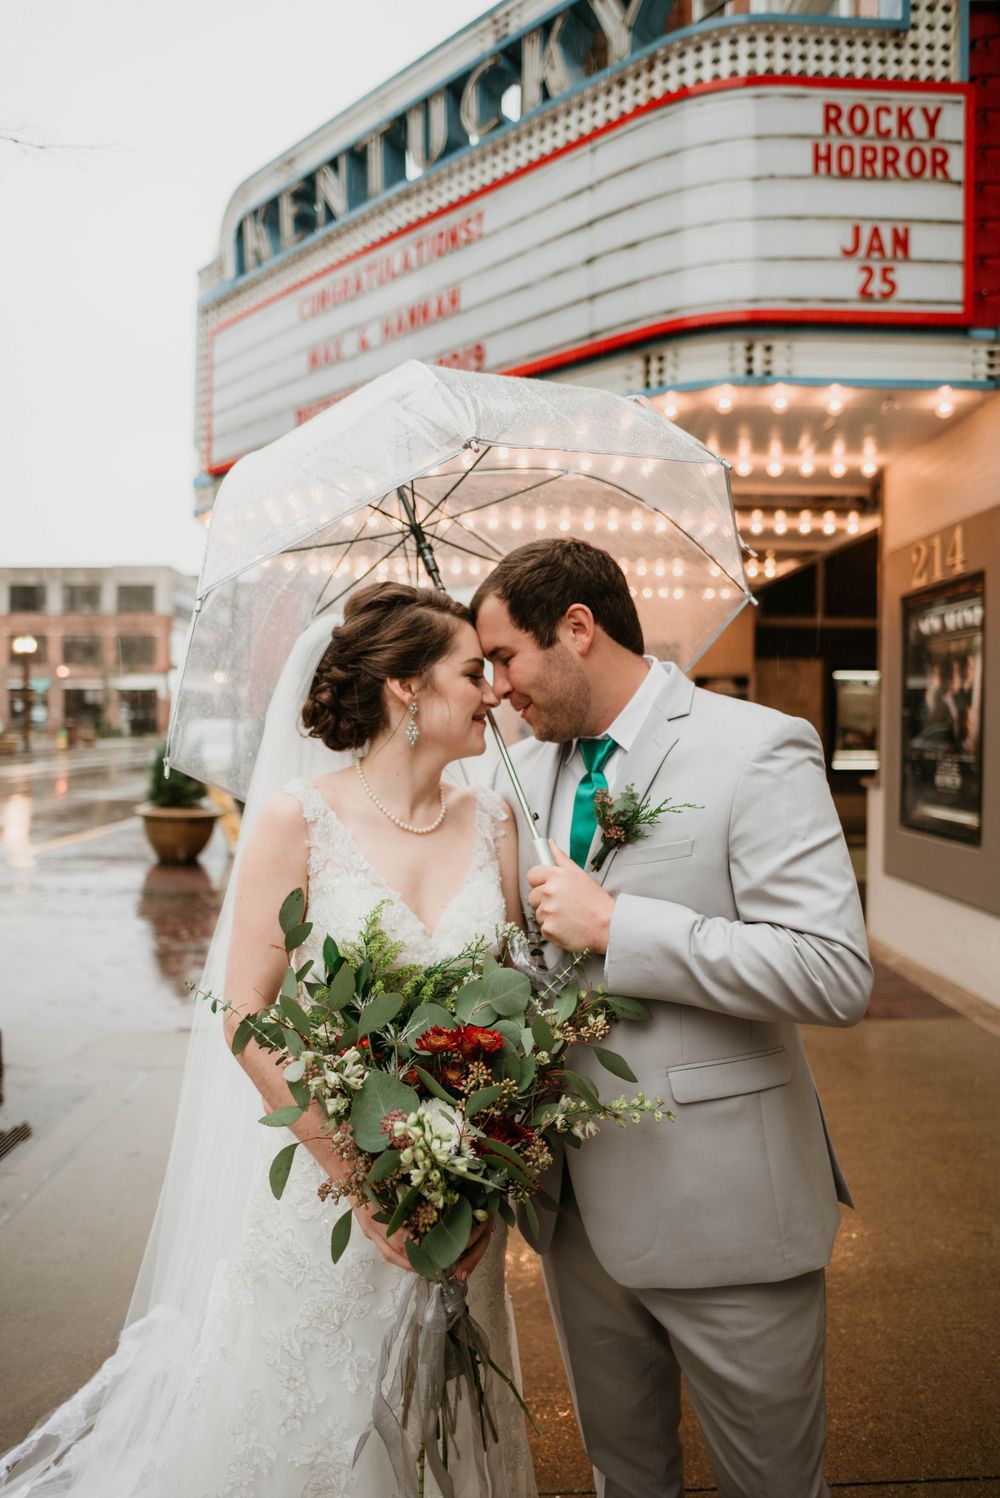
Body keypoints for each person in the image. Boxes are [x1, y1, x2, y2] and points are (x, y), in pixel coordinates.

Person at [2, 582, 537, 1498]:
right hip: (328, 1190)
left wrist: (482, 1161)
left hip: (458, 1196)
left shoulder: (494, 819)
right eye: (471, 670)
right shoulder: (300, 817)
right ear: (407, 689)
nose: (493, 690)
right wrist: (364, 1181)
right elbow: (245, 1008)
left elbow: (518, 1005)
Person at [471, 538, 873, 1498]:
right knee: (625, 1479)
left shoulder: (755, 745)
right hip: (572, 1217)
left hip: (726, 1206)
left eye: (503, 658)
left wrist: (622, 926)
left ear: (578, 628)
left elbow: (833, 971)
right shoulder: (518, 777)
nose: (494, 688)